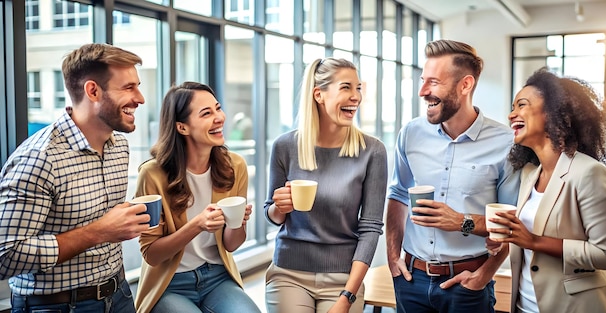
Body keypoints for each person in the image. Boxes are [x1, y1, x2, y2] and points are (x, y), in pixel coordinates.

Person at [0, 43, 147, 313]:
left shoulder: (120, 148)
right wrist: (99, 231)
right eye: (128, 88)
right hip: (57, 307)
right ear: (92, 91)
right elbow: (4, 256)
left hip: (120, 294)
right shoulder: (39, 158)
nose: (140, 98)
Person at [385, 39, 521, 313]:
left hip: (468, 285)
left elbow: (510, 224)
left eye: (433, 82)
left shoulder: (506, 143)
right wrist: (392, 257)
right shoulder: (410, 134)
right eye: (423, 80)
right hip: (411, 280)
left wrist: (482, 275)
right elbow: (398, 194)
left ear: (465, 85)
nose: (423, 91)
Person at [488, 68, 606, 313]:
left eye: (521, 105)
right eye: (512, 107)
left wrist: (534, 241)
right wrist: (507, 242)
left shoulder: (589, 172)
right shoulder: (530, 175)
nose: (512, 114)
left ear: (552, 113)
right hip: (524, 305)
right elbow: (529, 242)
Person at [264, 57, 388, 313]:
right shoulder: (285, 147)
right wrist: (280, 207)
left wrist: (347, 297)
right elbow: (272, 215)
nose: (356, 97)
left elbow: (371, 228)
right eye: (346, 87)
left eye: (358, 88)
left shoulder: (372, 151)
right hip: (289, 272)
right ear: (319, 95)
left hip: (344, 277)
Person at [133, 82, 261, 313]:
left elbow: (231, 244)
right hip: (170, 284)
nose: (219, 117)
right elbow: (151, 254)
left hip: (217, 277)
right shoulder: (152, 175)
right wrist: (197, 226)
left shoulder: (235, 166)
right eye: (206, 113)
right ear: (182, 127)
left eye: (218, 108)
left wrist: (238, 222)